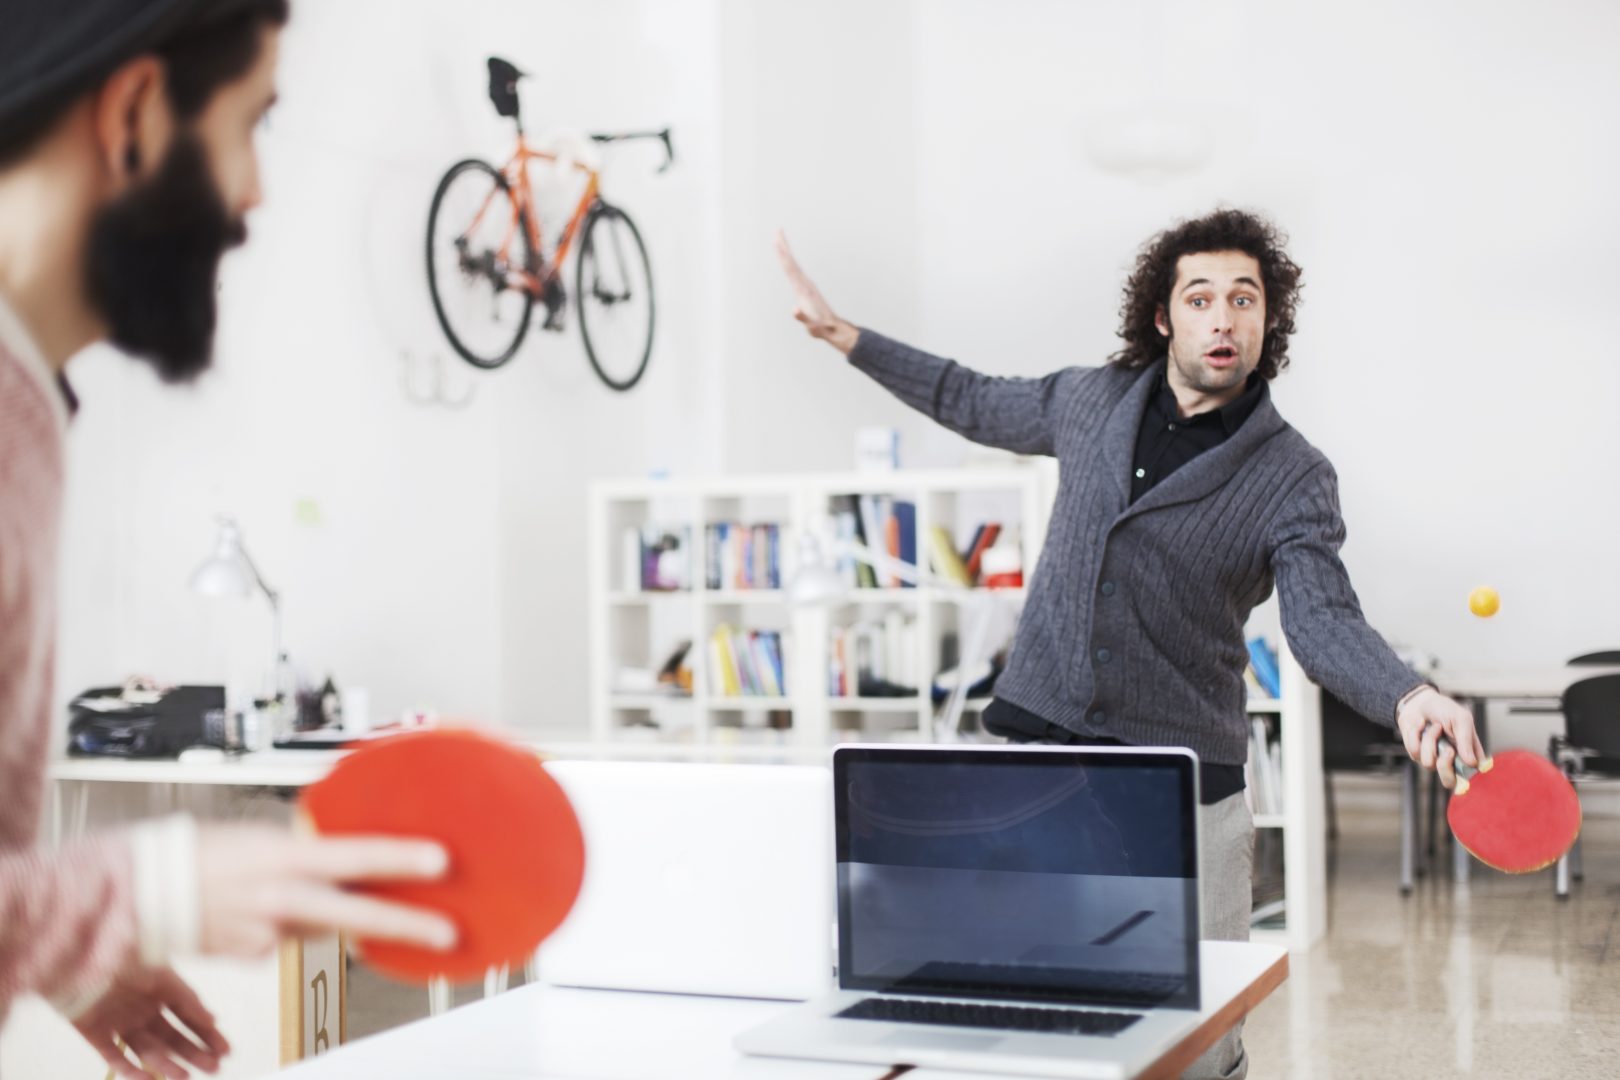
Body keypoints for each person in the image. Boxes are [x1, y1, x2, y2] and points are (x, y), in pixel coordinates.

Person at [776, 209, 1485, 1080]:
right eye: (1201, 298)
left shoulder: (1295, 474)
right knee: (1019, 1014)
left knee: (1197, 1039)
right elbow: (966, 396)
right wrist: (844, 335)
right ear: (1165, 316)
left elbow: (1322, 618)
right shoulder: (1090, 400)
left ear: (1269, 321)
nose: (1223, 319)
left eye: (1244, 300)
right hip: (1032, 759)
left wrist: (1407, 695)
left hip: (1181, 786)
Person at [0, 3, 457, 1076]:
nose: (254, 196)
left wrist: (67, 951)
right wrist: (155, 892)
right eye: (251, 125)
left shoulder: (31, 402)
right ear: (134, 114)